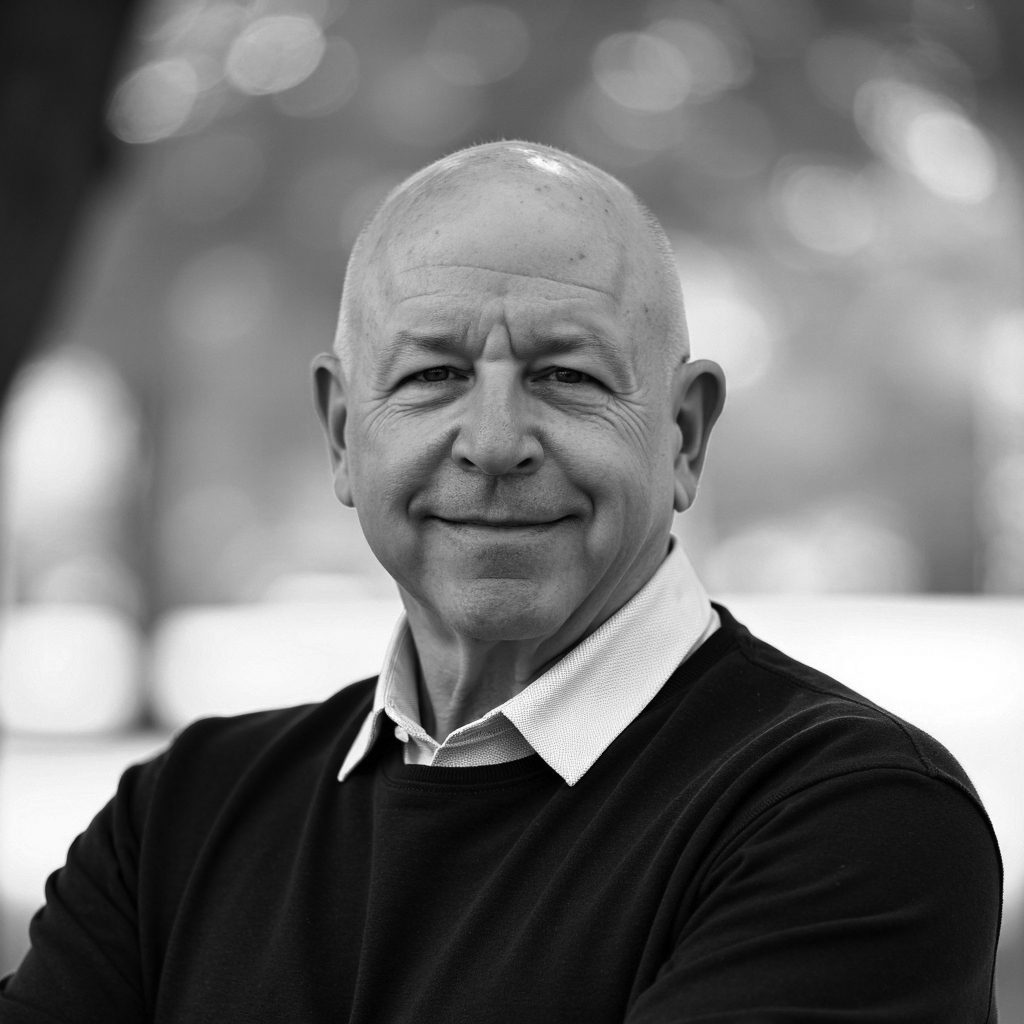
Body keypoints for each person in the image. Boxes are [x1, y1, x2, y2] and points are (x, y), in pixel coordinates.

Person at [0, 142, 1002, 1023]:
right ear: (346, 433)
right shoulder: (179, 821)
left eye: (566, 375)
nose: (491, 443)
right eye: (433, 375)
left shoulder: (854, 824)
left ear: (685, 433)